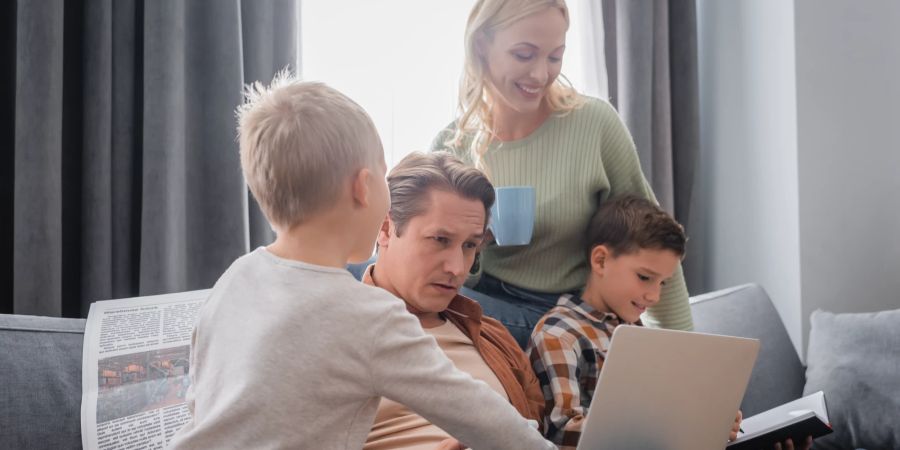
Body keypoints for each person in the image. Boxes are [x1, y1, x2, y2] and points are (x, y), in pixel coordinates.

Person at [168, 75, 554, 449]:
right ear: (362, 187)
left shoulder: (234, 280)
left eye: (471, 246)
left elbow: (199, 404)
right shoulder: (368, 316)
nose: (457, 266)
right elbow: (482, 417)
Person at [430, 0, 692, 348]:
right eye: (524, 55)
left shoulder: (594, 124)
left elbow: (656, 244)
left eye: (555, 57)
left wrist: (686, 353)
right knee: (384, 273)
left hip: (572, 322)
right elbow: (446, 270)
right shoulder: (452, 147)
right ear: (482, 45)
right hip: (490, 312)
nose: (540, 74)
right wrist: (472, 244)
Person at [528, 196, 810, 450]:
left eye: (663, 282)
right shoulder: (559, 334)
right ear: (600, 261)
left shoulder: (638, 333)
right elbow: (560, 432)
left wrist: (712, 424)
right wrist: (669, 427)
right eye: (644, 277)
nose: (654, 296)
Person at [363, 152, 545, 450]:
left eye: (470, 245)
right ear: (386, 229)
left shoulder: (494, 338)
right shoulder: (334, 333)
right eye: (440, 240)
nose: (457, 268)